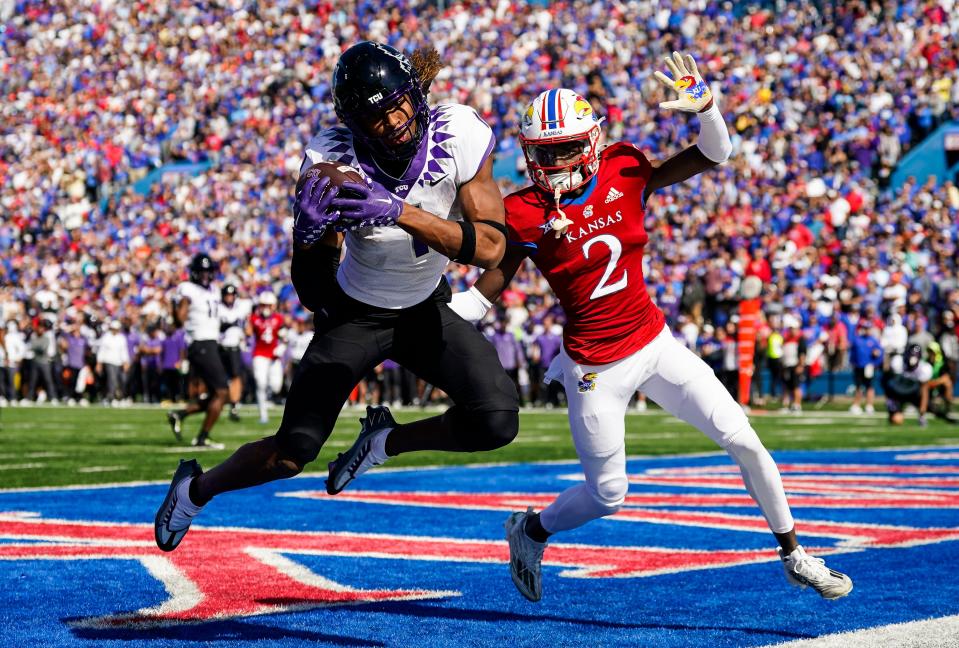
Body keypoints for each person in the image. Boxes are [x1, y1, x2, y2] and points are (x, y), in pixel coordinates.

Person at [450, 54, 851, 602]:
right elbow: (491, 283)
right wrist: (442, 315)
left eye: (567, 146)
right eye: (545, 152)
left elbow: (716, 152)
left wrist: (708, 110)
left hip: (655, 341)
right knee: (609, 493)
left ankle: (794, 554)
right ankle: (532, 530)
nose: (557, 160)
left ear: (592, 141)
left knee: (746, 442)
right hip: (595, 366)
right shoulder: (523, 211)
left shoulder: (623, 168)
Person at [154, 41, 518, 553]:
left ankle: (384, 441)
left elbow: (493, 248)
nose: (392, 121)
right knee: (292, 451)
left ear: (416, 93)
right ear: (351, 123)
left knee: (496, 419)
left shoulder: (459, 132)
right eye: (375, 116)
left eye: (397, 103)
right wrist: (305, 237)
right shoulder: (332, 164)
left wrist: (398, 211)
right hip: (355, 316)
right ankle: (194, 490)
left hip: (425, 307)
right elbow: (314, 294)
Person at [165, 253, 229, 449]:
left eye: (208, 272)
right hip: (201, 344)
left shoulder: (213, 290)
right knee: (222, 392)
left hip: (209, 344)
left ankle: (180, 414)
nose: (205, 276)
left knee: (215, 394)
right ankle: (202, 438)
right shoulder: (187, 289)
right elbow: (179, 321)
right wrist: (175, 308)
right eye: (201, 272)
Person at [248, 292, 285, 424]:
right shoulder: (254, 318)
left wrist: (282, 348)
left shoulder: (279, 318)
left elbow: (284, 337)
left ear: (274, 306)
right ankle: (263, 415)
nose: (266, 308)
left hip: (274, 356)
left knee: (276, 386)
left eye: (268, 305)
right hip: (260, 355)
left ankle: (269, 398)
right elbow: (247, 333)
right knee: (260, 383)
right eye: (263, 305)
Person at [218, 284, 249, 421]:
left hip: (235, 347)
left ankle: (234, 405)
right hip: (220, 346)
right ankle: (217, 403)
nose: (229, 297)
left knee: (236, 376)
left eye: (232, 295)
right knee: (220, 377)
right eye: (227, 295)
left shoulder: (240, 309)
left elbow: (247, 328)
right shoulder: (218, 308)